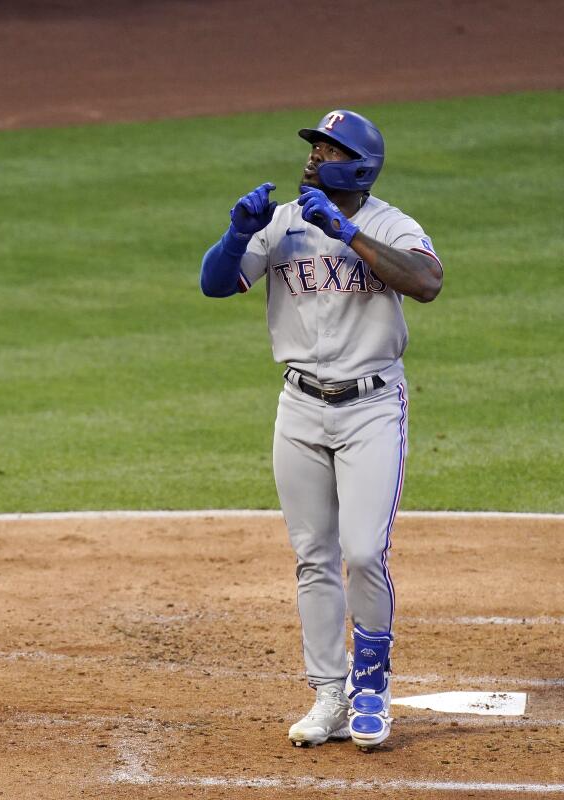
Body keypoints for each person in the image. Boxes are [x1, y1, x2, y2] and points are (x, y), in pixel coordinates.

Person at [198, 110, 443, 749]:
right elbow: (215, 285)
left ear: (357, 165)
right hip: (300, 408)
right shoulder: (281, 223)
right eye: (313, 147)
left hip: (371, 408)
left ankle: (371, 685)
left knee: (362, 552)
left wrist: (347, 232)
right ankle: (330, 692)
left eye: (327, 148)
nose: (312, 157)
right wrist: (235, 234)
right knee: (313, 558)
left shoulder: (391, 224)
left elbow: (425, 282)